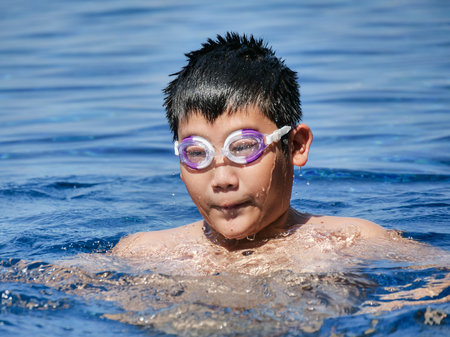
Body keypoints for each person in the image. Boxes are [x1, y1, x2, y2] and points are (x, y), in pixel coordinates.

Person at [112, 32, 386, 261]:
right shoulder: (144, 253)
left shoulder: (353, 243)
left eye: (242, 147)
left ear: (296, 146)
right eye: (197, 153)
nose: (221, 179)